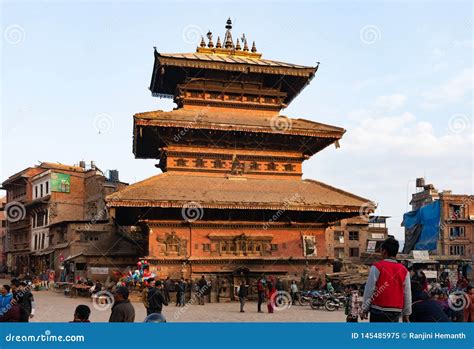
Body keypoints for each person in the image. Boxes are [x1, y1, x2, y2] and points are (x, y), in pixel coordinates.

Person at [361, 237, 411, 322]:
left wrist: (365, 308)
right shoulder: (404, 271)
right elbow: (407, 293)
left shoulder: (377, 267)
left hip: (377, 311)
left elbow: (369, 289)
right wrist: (406, 314)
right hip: (395, 312)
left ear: (384, 251)